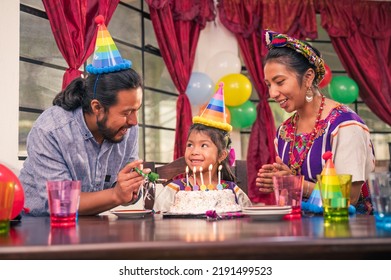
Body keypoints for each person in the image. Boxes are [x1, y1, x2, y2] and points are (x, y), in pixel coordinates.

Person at [19, 15, 149, 216]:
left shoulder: (127, 129)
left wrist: (132, 188)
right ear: (97, 107)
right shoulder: (51, 130)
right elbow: (60, 204)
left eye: (136, 110)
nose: (134, 121)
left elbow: (122, 189)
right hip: (35, 226)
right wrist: (116, 195)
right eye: (126, 112)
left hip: (89, 224)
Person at [256, 30, 375, 214]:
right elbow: (292, 200)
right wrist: (278, 181)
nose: (272, 93)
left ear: (308, 77)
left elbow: (349, 198)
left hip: (347, 231)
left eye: (280, 82)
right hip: (299, 230)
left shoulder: (345, 125)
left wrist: (295, 183)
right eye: (269, 85)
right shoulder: (284, 131)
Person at [153, 84, 252, 212]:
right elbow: (157, 221)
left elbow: (247, 219)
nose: (194, 151)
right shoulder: (174, 189)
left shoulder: (232, 191)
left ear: (222, 155)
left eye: (204, 145)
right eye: (190, 145)